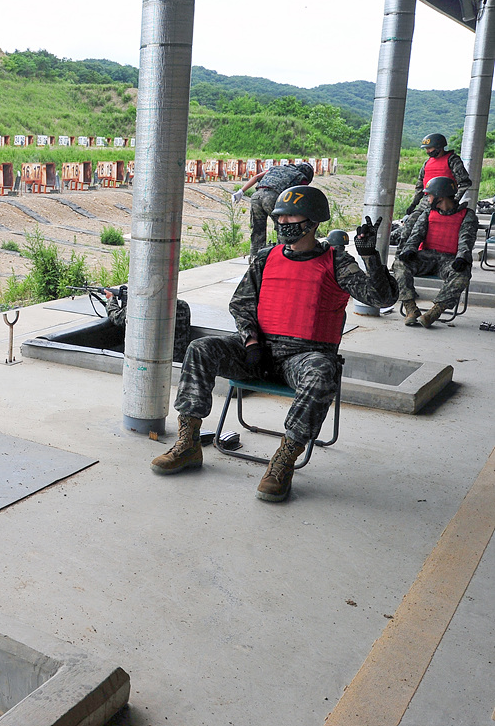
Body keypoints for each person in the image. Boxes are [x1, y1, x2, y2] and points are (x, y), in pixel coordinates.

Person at [151, 186, 397, 502]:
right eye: (279, 216)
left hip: (304, 358)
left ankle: (284, 460)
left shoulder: (336, 262)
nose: (283, 222)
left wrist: (370, 256)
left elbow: (383, 297)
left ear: (313, 220)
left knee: (323, 371)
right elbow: (241, 304)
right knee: (201, 348)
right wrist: (251, 344)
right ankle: (188, 444)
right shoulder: (266, 257)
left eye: (291, 215)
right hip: (259, 352)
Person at [394, 176, 478, 328]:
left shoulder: (467, 215)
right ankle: (411, 309)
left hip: (449, 260)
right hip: (427, 257)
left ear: (441, 196)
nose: (428, 198)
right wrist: (409, 250)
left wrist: (462, 258)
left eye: (430, 195)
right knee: (400, 263)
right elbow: (416, 235)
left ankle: (434, 312)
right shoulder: (427, 213)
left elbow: (466, 239)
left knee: (463, 272)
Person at [233, 162, 315, 256]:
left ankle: (255, 257)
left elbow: (256, 177)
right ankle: (283, 254)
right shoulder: (300, 177)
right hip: (273, 197)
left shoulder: (276, 168)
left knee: (257, 229)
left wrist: (241, 191)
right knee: (283, 227)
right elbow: (301, 195)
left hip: (256, 196)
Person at [103, 286, 192, 364]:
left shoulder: (144, 306)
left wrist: (111, 299)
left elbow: (117, 318)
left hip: (151, 362)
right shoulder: (183, 305)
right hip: (178, 360)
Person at [407, 133, 470, 216]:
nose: (427, 151)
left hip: (444, 202)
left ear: (439, 147)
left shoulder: (452, 160)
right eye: (426, 149)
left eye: (429, 148)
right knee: (412, 222)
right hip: (427, 201)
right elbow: (420, 185)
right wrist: (414, 204)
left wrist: (455, 200)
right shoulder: (427, 163)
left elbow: (465, 183)